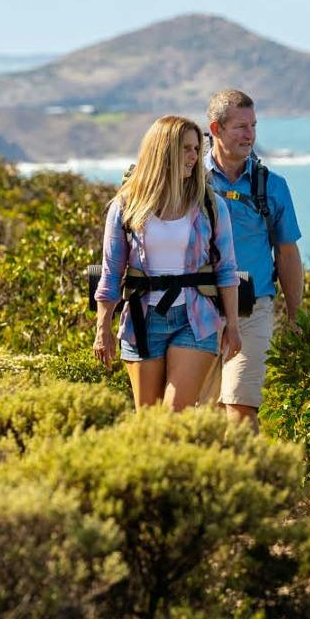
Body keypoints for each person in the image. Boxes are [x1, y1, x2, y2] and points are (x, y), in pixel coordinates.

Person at [93, 115, 242, 409]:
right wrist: (102, 329)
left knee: (175, 414)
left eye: (197, 149)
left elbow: (226, 269)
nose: (194, 157)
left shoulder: (210, 205)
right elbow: (111, 273)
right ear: (164, 151)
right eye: (186, 149)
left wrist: (233, 326)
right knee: (148, 419)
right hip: (141, 321)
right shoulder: (126, 205)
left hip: (195, 319)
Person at [200, 89, 303, 429]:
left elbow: (287, 252)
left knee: (240, 408)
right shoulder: (190, 181)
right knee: (204, 414)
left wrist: (294, 314)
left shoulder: (272, 186)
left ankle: (253, 477)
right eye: (240, 127)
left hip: (252, 308)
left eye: (253, 126)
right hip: (199, 306)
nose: (250, 135)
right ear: (215, 129)